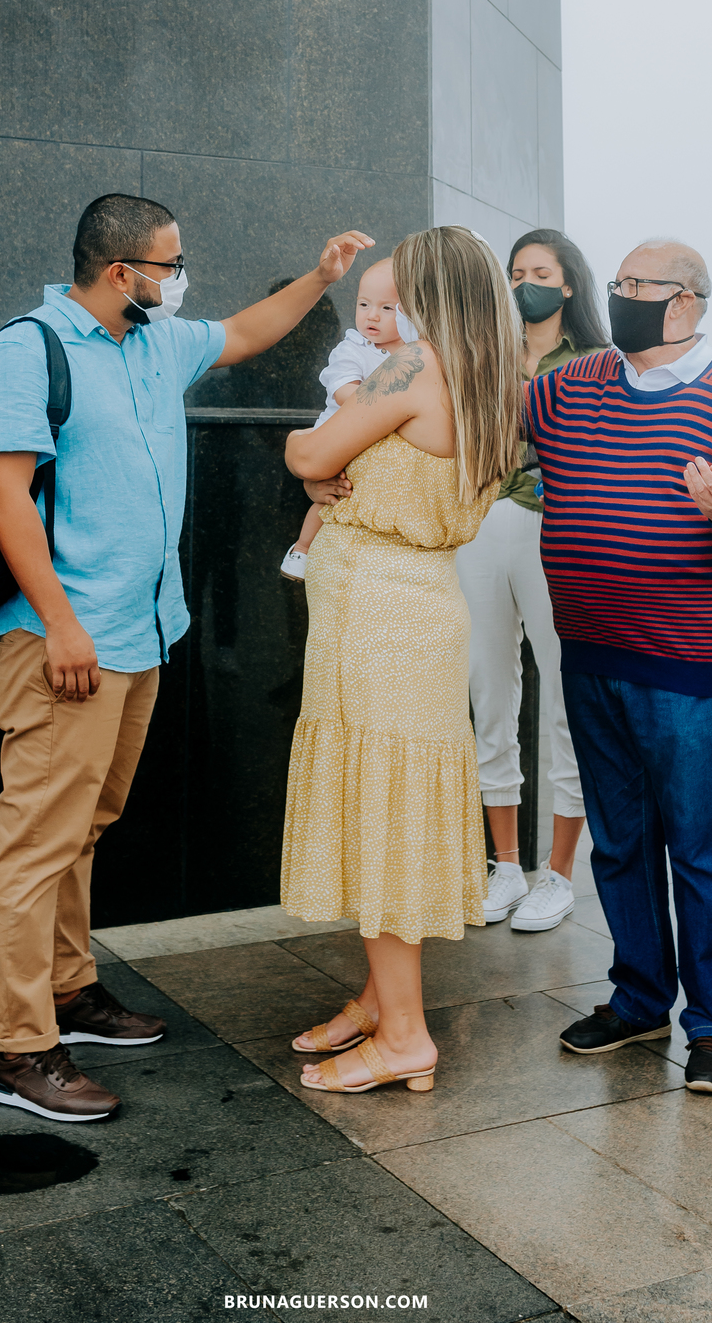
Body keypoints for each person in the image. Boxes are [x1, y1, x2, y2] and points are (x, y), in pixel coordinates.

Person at [0, 193, 374, 1122]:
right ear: (122, 274)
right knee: (35, 843)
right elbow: (1, 495)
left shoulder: (156, 344)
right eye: (168, 264)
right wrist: (60, 622)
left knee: (84, 824)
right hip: (63, 638)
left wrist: (319, 280)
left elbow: (238, 333)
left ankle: (67, 997)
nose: (178, 280)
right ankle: (15, 1047)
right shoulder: (27, 350)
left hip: (142, 631)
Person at [525, 239, 712, 1095]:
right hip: (589, 653)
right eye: (617, 285)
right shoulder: (570, 386)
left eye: (636, 287)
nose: (620, 299)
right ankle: (638, 997)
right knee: (619, 843)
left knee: (699, 851)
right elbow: (476, 422)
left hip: (683, 666)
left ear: (687, 301)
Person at [280, 227, 523, 1095]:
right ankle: (383, 1002)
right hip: (418, 603)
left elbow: (308, 450)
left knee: (382, 813)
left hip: (377, 611)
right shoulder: (498, 378)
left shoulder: (415, 366)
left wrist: (313, 475)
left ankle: (408, 1035)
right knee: (393, 804)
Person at [457, 229, 606, 932]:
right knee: (490, 692)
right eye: (515, 272)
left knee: (566, 701)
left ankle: (559, 873)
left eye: (539, 271)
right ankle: (507, 865)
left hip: (564, 533)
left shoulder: (600, 362)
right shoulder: (484, 352)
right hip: (485, 523)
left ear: (569, 282)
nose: (525, 283)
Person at [279, 258, 402, 581]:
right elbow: (344, 391)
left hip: (376, 441)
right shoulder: (354, 347)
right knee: (328, 495)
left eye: (387, 308)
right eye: (364, 304)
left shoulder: (412, 351)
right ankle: (302, 549)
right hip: (338, 433)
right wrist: (391, 407)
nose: (372, 315)